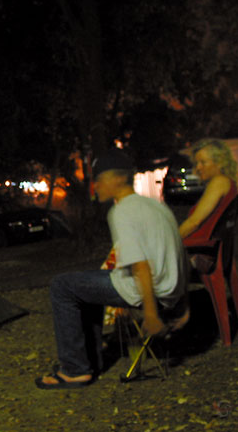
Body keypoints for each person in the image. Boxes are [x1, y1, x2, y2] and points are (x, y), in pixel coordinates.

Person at [35, 148, 189, 389]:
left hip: (144, 291)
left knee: (61, 286)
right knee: (83, 283)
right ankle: (91, 360)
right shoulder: (155, 206)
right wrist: (182, 303)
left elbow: (141, 265)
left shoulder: (123, 211)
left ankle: (75, 369)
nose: (96, 185)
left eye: (99, 179)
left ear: (117, 178)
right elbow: (179, 255)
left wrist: (150, 313)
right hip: (168, 291)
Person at [179, 138, 238, 239]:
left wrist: (170, 241)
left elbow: (194, 222)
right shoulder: (227, 183)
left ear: (220, 162)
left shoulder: (219, 182)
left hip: (200, 247)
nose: (198, 167)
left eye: (203, 162)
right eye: (196, 163)